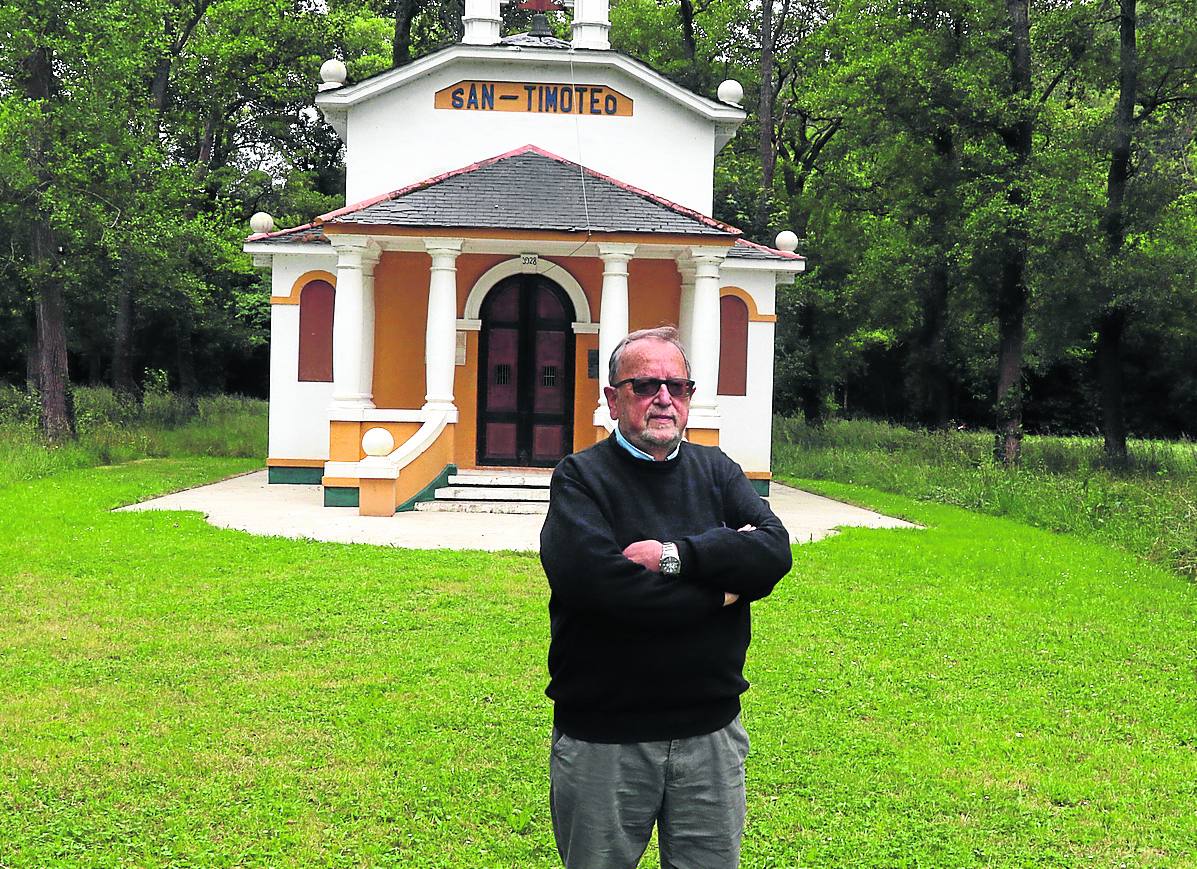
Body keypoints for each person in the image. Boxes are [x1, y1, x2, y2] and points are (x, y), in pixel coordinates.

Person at [540, 325, 793, 869]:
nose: (664, 399)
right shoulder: (580, 480)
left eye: (677, 387)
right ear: (612, 399)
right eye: (645, 385)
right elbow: (601, 590)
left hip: (711, 737)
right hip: (605, 741)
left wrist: (675, 557)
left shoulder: (718, 471)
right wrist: (725, 593)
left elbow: (772, 553)